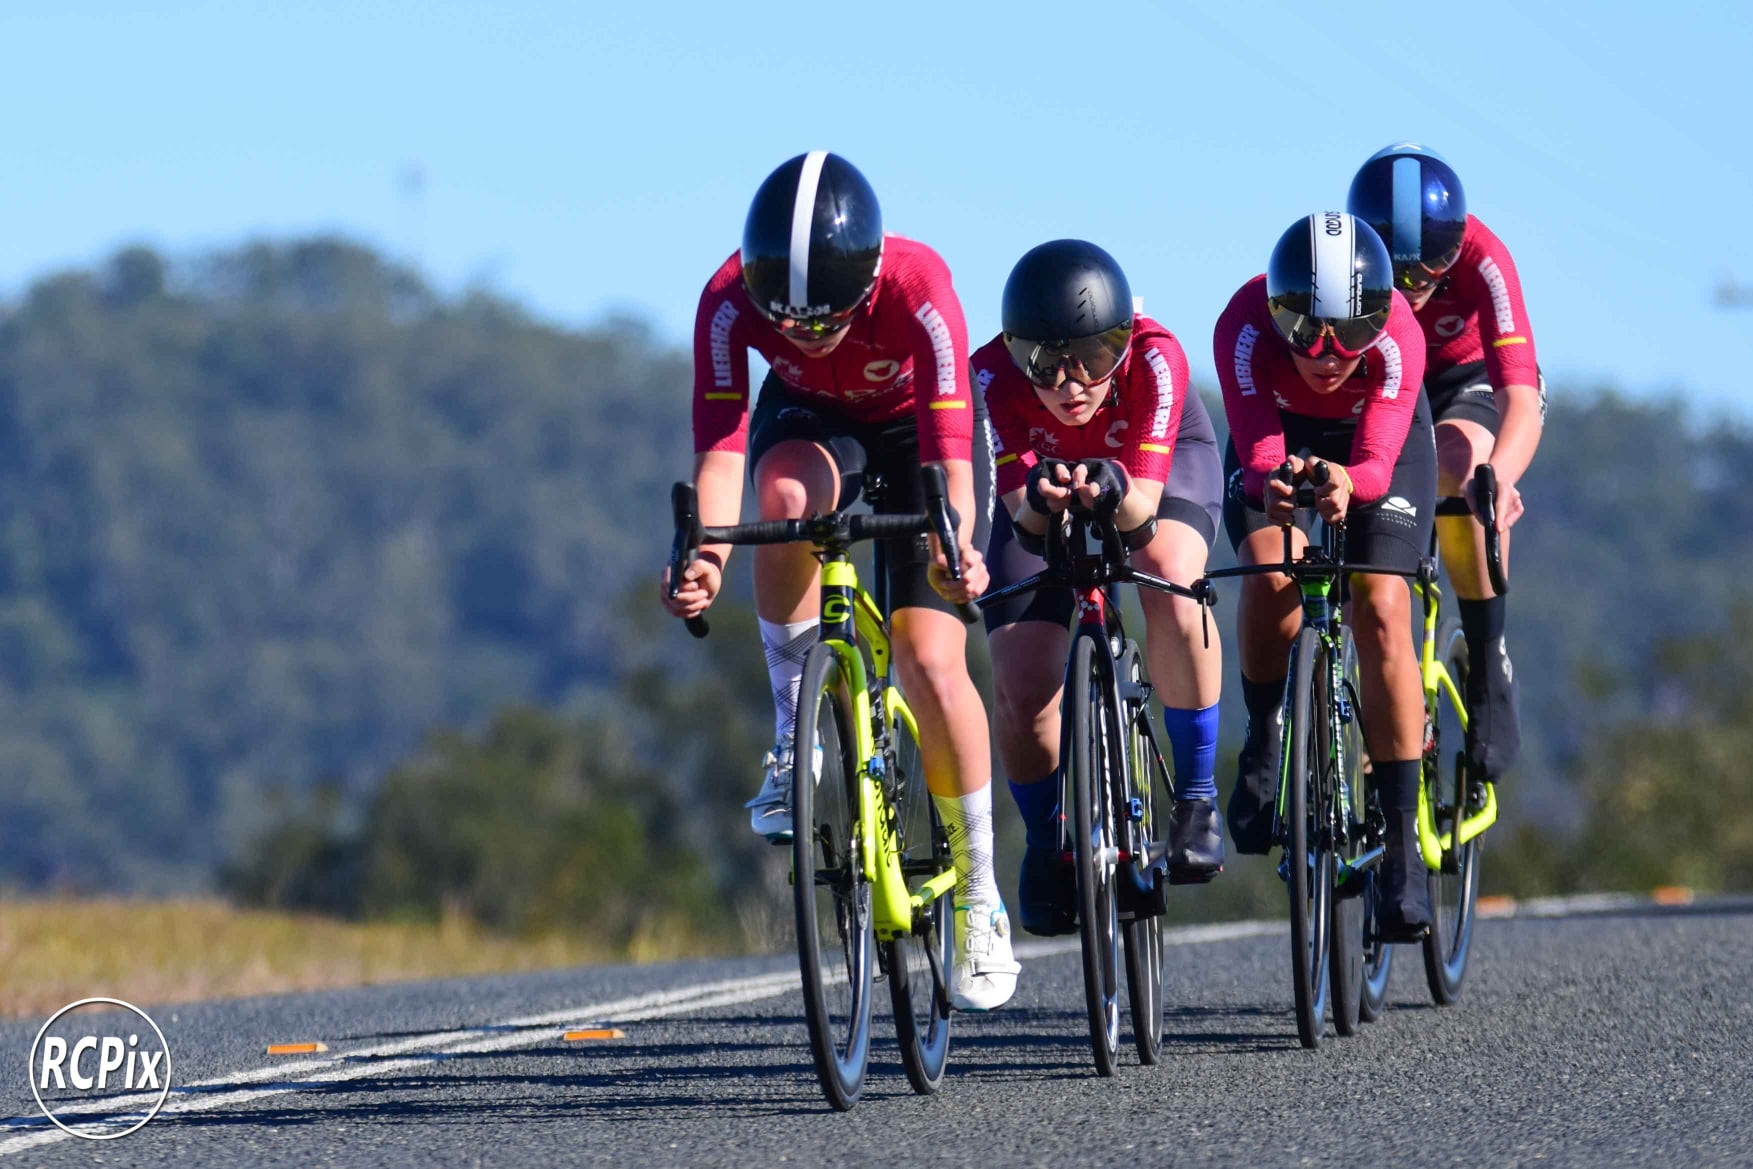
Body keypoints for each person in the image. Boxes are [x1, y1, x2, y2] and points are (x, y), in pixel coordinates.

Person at [659, 151, 1018, 1009]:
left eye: (828, 323)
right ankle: (795, 735)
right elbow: (720, 449)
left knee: (929, 658)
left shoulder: (918, 287)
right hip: (814, 428)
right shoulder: (727, 298)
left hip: (922, 441)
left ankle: (977, 892)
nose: (809, 336)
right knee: (778, 498)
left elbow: (952, 466)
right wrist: (706, 554)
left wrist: (954, 545)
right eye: (791, 325)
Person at [972, 240, 1225, 936]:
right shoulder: (990, 372)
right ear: (1014, 350)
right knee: (1022, 685)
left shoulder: (1155, 357)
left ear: (1123, 340)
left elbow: (1140, 511)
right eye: (1045, 363)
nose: (1070, 380)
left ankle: (1197, 796)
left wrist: (1111, 489)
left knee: (1170, 580)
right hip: (1040, 496)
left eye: (1091, 356)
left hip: (1155, 474)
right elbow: (1021, 524)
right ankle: (1046, 838)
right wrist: (1038, 497)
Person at [1215, 212, 1436, 938]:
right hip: (1279, 434)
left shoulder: (1399, 336)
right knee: (1268, 563)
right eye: (1306, 330)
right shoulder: (1243, 325)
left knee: (1379, 602)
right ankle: (1265, 729)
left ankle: (1400, 841)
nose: (1328, 352)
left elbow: (1373, 464)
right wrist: (1272, 480)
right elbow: (1255, 449)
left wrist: (1351, 482)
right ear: (1277, 311)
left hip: (1379, 446)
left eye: (1349, 332)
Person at [1347, 143, 1543, 788]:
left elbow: (1520, 395)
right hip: (1381, 388)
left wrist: (1502, 475)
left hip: (1465, 382)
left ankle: (1488, 659)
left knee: (1462, 471)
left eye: (1434, 267)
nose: (1416, 287)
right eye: (1399, 275)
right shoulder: (1340, 258)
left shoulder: (1485, 256)